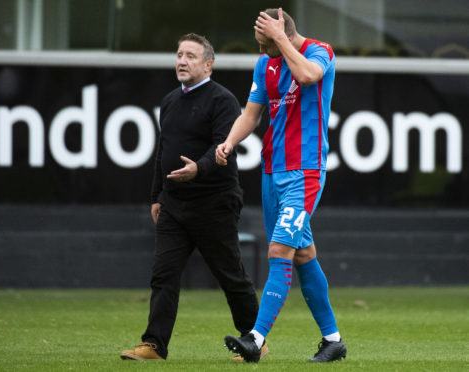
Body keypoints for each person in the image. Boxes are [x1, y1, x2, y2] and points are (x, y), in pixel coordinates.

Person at [120, 33, 265, 361]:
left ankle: (254, 339)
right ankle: (154, 345)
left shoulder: (222, 100)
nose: (182, 61)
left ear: (208, 65)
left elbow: (222, 146)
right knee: (163, 273)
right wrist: (157, 195)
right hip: (174, 203)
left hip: (215, 201)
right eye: (179, 55)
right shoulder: (170, 100)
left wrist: (198, 169)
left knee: (230, 274)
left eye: (191, 56)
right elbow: (163, 152)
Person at [216, 8, 347, 363]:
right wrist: (230, 142)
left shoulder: (321, 52)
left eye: (267, 44)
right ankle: (333, 340)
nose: (263, 53)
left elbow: (307, 76)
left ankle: (255, 340)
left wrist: (280, 41)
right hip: (273, 171)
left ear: (284, 36)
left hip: (306, 172)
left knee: (279, 252)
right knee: (303, 255)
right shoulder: (265, 65)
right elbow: (251, 113)